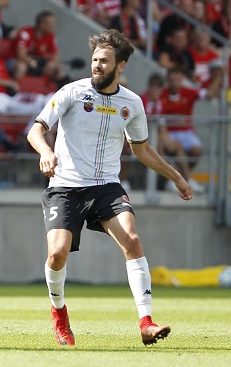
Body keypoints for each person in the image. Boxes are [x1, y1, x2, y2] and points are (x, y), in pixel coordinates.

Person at [27, 29, 192, 347]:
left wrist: (177, 177)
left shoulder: (132, 103)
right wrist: (46, 152)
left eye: (104, 60)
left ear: (121, 65)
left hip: (106, 187)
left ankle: (146, 322)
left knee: (132, 239)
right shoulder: (71, 93)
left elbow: (142, 150)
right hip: (66, 186)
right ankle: (59, 315)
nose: (97, 65)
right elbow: (36, 130)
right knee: (57, 254)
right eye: (94, 60)